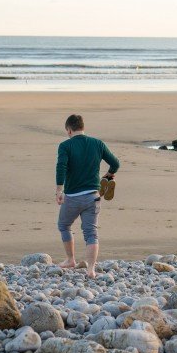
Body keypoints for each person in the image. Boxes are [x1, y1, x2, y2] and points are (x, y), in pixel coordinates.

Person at [55, 114, 120, 278]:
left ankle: (70, 259)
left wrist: (59, 190)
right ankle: (91, 269)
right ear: (83, 127)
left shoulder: (65, 146)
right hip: (93, 196)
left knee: (64, 225)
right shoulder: (97, 143)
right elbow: (115, 163)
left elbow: (61, 167)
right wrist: (108, 176)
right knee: (91, 233)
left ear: (69, 130)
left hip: (72, 197)